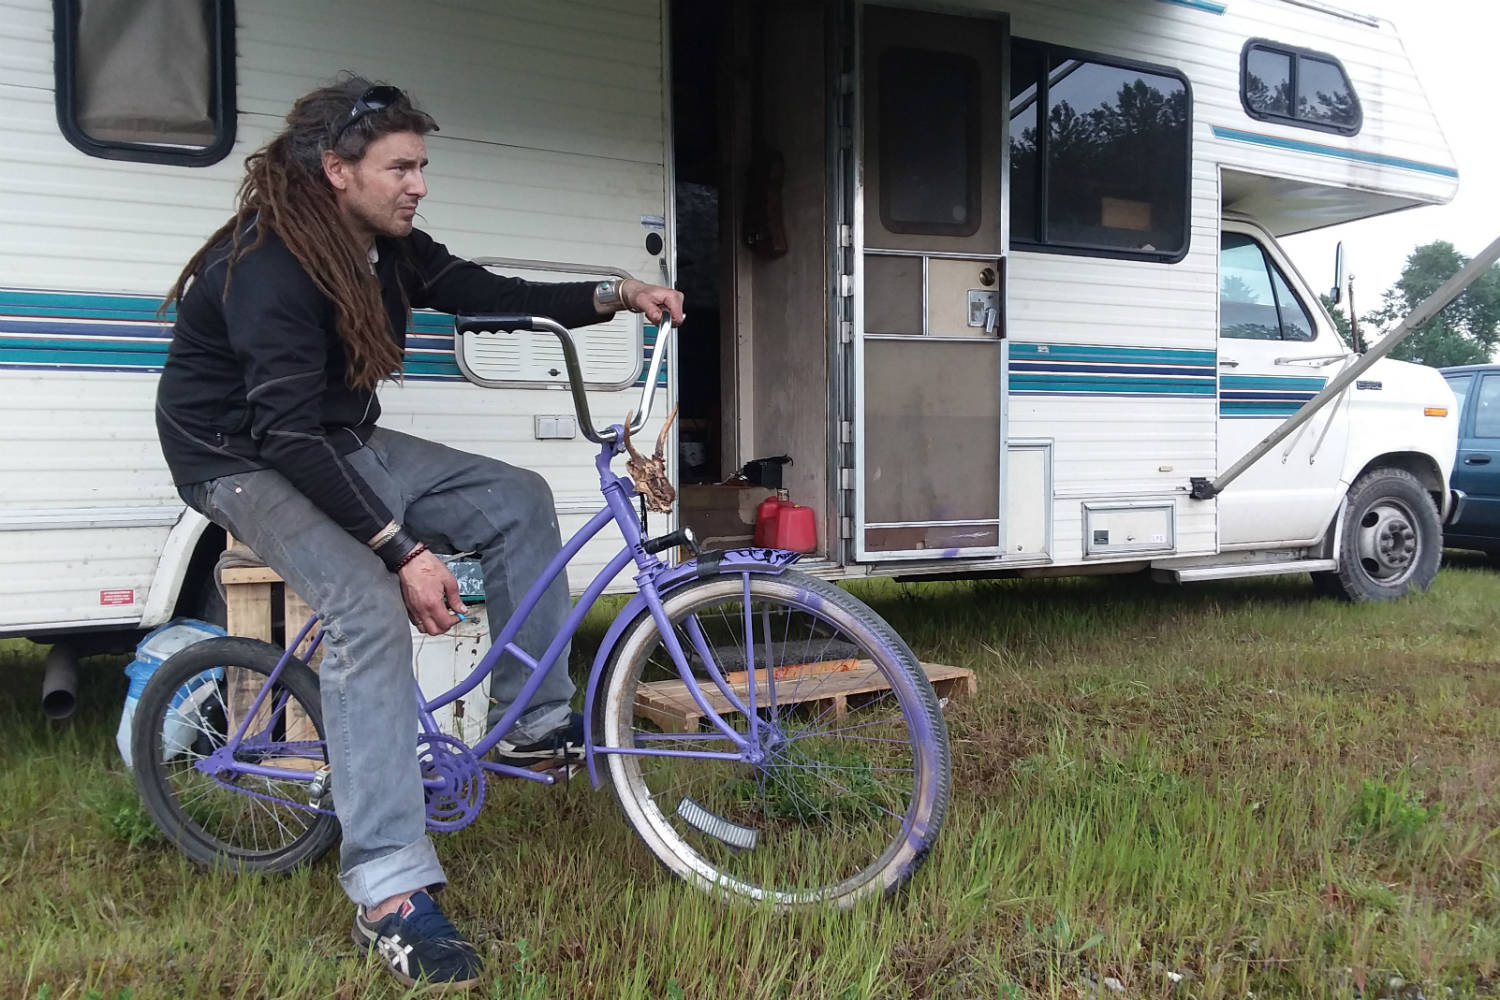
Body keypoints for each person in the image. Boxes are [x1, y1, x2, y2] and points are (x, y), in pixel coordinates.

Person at [155, 77, 684, 990]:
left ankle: (534, 720)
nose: (418, 185)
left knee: (515, 498)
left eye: (421, 166)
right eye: (401, 166)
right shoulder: (267, 265)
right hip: (238, 455)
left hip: (334, 435)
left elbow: (483, 289)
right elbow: (284, 435)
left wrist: (617, 291)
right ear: (336, 170)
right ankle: (389, 890)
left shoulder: (382, 244)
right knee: (364, 606)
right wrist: (401, 549)